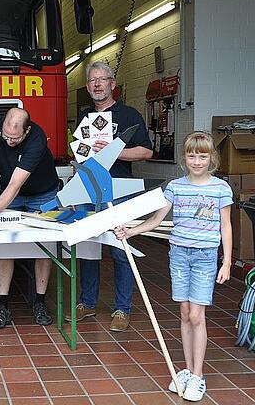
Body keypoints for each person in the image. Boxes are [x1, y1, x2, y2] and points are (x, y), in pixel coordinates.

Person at [114, 131, 232, 402]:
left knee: (196, 316)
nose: (197, 160)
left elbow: (226, 226)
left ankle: (198, 375)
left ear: (211, 157)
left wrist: (226, 261)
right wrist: (131, 232)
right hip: (178, 255)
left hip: (205, 256)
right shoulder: (175, 187)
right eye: (192, 155)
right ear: (185, 158)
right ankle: (188, 371)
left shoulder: (220, 188)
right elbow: (157, 219)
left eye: (203, 155)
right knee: (183, 312)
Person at [68, 61, 153, 332]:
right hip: (89, 190)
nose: (97, 84)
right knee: (89, 248)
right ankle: (87, 303)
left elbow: (146, 152)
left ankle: (122, 308)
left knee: (120, 249)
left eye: (102, 80)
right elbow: (79, 153)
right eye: (92, 80)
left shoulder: (129, 115)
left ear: (112, 84)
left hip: (120, 190)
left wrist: (115, 152)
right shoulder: (84, 117)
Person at [0, 108, 60, 329]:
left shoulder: (37, 138)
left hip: (41, 193)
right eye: (5, 136)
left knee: (43, 246)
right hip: (9, 191)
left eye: (14, 139)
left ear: (26, 131)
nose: (7, 141)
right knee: (5, 245)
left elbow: (16, 185)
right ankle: (3, 305)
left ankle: (40, 302)